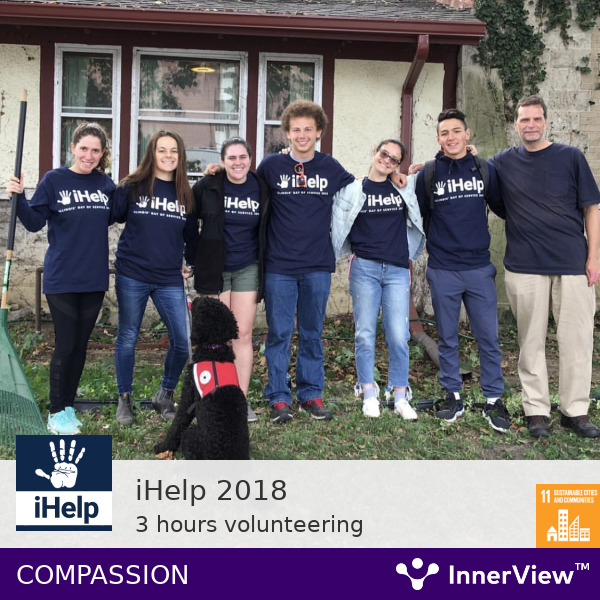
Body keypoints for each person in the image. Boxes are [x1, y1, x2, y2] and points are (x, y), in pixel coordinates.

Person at [490, 95, 600, 438]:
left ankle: (575, 412)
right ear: (516, 124)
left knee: (577, 340)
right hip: (525, 265)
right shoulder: (502, 162)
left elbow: (591, 208)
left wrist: (594, 257)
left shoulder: (571, 157)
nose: (531, 125)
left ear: (546, 122)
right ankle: (536, 411)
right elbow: (468, 168)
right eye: (524, 119)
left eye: (536, 119)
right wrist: (421, 168)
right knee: (531, 341)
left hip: (572, 263)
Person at [5, 122, 114, 435]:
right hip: (62, 276)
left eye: (95, 150)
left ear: (102, 153)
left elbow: (125, 211)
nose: (89, 156)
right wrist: (18, 197)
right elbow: (34, 222)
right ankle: (55, 412)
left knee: (80, 346)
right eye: (84, 149)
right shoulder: (54, 180)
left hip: (94, 278)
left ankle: (67, 406)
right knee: (65, 345)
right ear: (73, 147)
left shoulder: (106, 185)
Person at [256, 100, 356, 423]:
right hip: (279, 266)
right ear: (287, 133)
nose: (302, 135)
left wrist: (397, 174)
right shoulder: (271, 166)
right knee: (279, 333)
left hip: (317, 265)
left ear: (319, 132)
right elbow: (245, 189)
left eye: (308, 130)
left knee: (312, 332)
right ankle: (278, 397)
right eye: (296, 129)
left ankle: (311, 394)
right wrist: (216, 173)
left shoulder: (330, 167)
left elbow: (359, 191)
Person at [414, 109, 510, 433]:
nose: (451, 137)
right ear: (438, 138)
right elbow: (416, 213)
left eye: (456, 131)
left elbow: (503, 206)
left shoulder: (484, 169)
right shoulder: (429, 174)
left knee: (488, 337)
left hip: (479, 268)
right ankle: (452, 395)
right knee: (447, 337)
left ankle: (494, 399)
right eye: (445, 133)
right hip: (443, 269)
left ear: (467, 135)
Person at [332, 139, 425, 418]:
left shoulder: (403, 186)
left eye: (394, 159)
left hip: (397, 269)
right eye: (384, 154)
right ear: (375, 153)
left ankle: (400, 395)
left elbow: (439, 166)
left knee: (398, 334)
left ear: (398, 165)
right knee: (364, 333)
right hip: (364, 268)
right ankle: (368, 391)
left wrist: (469, 151)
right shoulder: (352, 189)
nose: (387, 160)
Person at [111, 130, 198, 425]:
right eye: (162, 150)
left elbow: (191, 235)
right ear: (152, 153)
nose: (168, 155)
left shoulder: (185, 192)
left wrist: (191, 263)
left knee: (182, 341)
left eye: (174, 150)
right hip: (132, 273)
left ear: (180, 155)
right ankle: (124, 398)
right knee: (128, 337)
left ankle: (165, 394)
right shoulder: (133, 186)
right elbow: (108, 214)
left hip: (168, 277)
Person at [192, 137, 270, 423]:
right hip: (215, 268)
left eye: (242, 157)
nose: (238, 163)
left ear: (250, 159)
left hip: (248, 267)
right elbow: (189, 221)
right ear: (222, 161)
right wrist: (190, 258)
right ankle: (213, 398)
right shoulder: (208, 185)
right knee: (216, 337)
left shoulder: (261, 187)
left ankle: (240, 400)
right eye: (231, 158)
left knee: (243, 334)